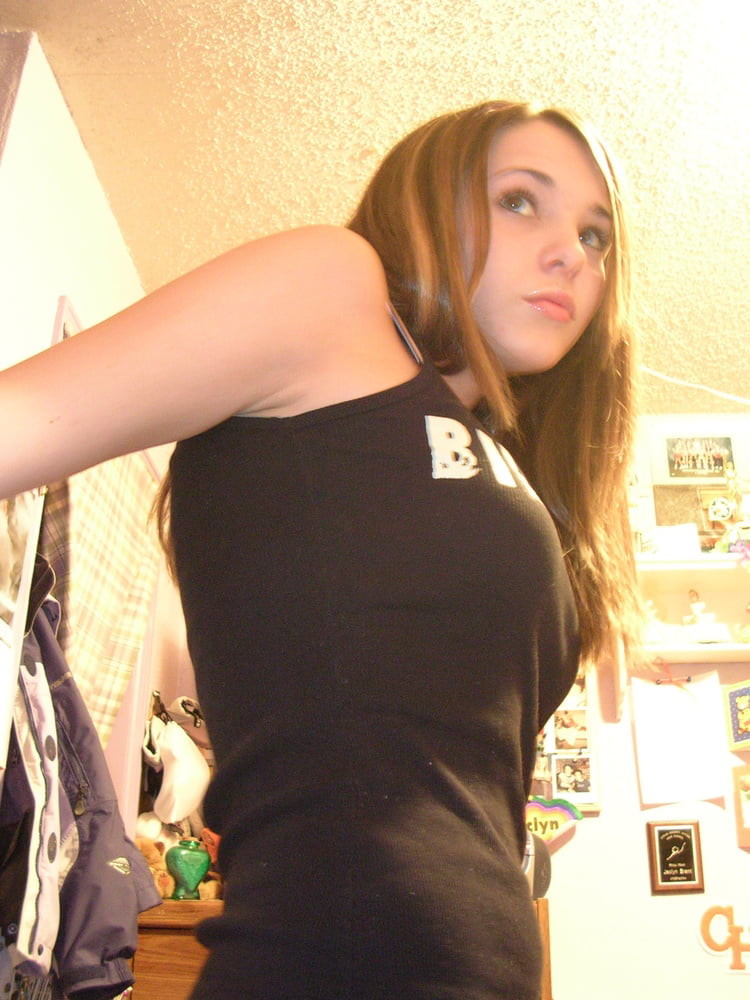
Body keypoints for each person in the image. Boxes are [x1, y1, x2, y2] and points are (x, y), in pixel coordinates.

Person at [1, 100, 641, 999]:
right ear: (425, 200)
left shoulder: (512, 473)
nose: (572, 251)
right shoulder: (336, 294)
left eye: (595, 234)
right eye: (520, 200)